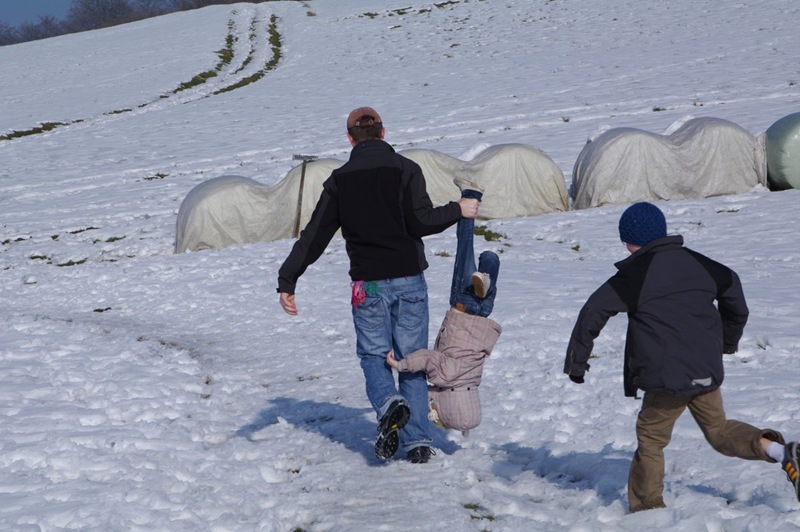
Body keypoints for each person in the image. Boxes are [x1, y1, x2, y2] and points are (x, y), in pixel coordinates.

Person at [563, 201, 800, 512]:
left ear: (631, 241)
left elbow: (593, 311)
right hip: (705, 369)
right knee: (719, 431)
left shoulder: (635, 276)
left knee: (651, 440)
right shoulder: (702, 265)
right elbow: (736, 300)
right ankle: (783, 453)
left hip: (666, 379)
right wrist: (726, 343)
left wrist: (577, 364)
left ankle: (648, 510)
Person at [277, 107, 480, 464]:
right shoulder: (406, 169)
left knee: (374, 357)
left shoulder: (340, 180)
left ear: (350, 138)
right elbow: (421, 222)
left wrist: (288, 278)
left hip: (367, 286)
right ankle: (417, 443)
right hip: (409, 280)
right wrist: (458, 209)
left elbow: (315, 236)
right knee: (411, 359)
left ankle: (389, 403)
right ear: (383, 133)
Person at [387, 180, 502, 438]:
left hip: (483, 315)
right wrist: (401, 364)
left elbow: (440, 396)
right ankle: (471, 193)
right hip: (462, 306)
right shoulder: (445, 377)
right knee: (465, 244)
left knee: (489, 258)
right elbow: (427, 358)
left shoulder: (471, 379)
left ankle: (487, 276)